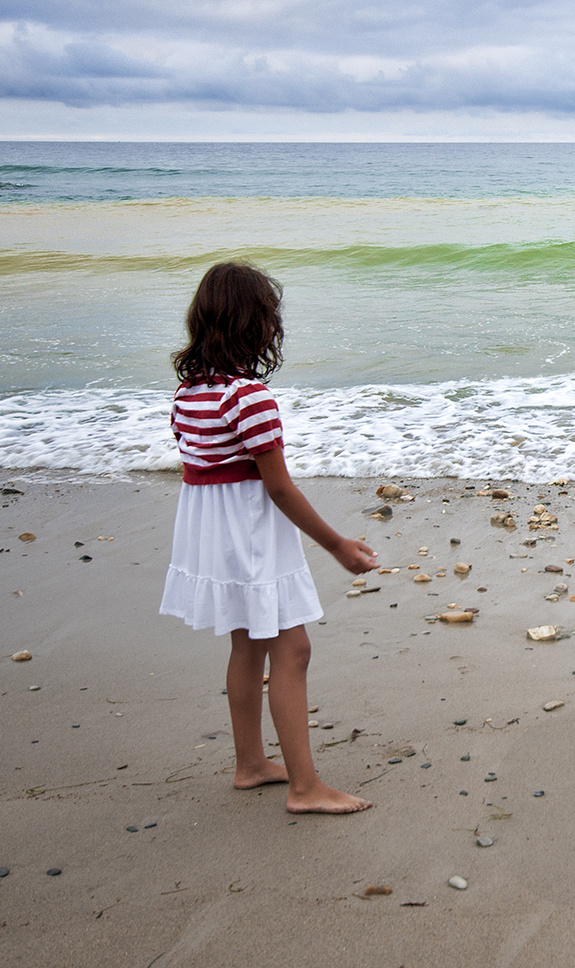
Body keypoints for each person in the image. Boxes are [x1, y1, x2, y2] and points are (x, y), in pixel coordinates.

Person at [159, 262, 377, 814]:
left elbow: (202, 467)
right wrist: (336, 544)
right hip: (253, 530)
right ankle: (305, 787)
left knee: (246, 644)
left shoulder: (189, 392)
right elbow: (277, 488)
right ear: (258, 323)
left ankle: (251, 764)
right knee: (293, 647)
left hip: (213, 531)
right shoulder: (248, 395)